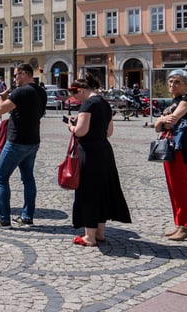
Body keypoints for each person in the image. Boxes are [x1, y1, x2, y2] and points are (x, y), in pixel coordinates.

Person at [66, 73, 132, 246]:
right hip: (104, 150)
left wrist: (71, 127)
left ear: (81, 90)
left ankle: (89, 236)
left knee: (88, 192)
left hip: (89, 152)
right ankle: (100, 233)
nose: (75, 99)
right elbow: (109, 132)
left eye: (75, 94)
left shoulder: (88, 104)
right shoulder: (104, 103)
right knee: (102, 191)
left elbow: (81, 131)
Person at [0, 63, 46, 228]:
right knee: (28, 179)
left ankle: (3, 218)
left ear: (25, 74)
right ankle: (27, 216)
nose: (14, 78)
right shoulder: (41, 91)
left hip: (17, 141)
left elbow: (0, 110)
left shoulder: (21, 92)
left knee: (0, 177)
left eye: (16, 75)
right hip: (33, 140)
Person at [154, 69, 187, 241]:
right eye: (171, 81)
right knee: (173, 188)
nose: (172, 85)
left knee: (181, 188)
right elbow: (158, 126)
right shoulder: (174, 101)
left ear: (186, 85)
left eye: (177, 82)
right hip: (171, 147)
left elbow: (172, 120)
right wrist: (160, 122)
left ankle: (186, 226)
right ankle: (179, 224)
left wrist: (161, 121)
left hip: (181, 149)